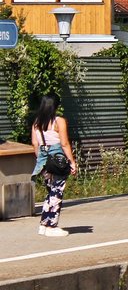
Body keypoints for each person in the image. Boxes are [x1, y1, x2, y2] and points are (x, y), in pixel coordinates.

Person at [30, 95, 77, 237]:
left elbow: (35, 144)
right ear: (56, 106)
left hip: (43, 162)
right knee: (57, 192)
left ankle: (44, 225)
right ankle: (51, 225)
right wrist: (72, 162)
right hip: (57, 161)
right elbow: (64, 143)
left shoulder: (36, 123)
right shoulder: (59, 121)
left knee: (51, 192)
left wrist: (41, 159)